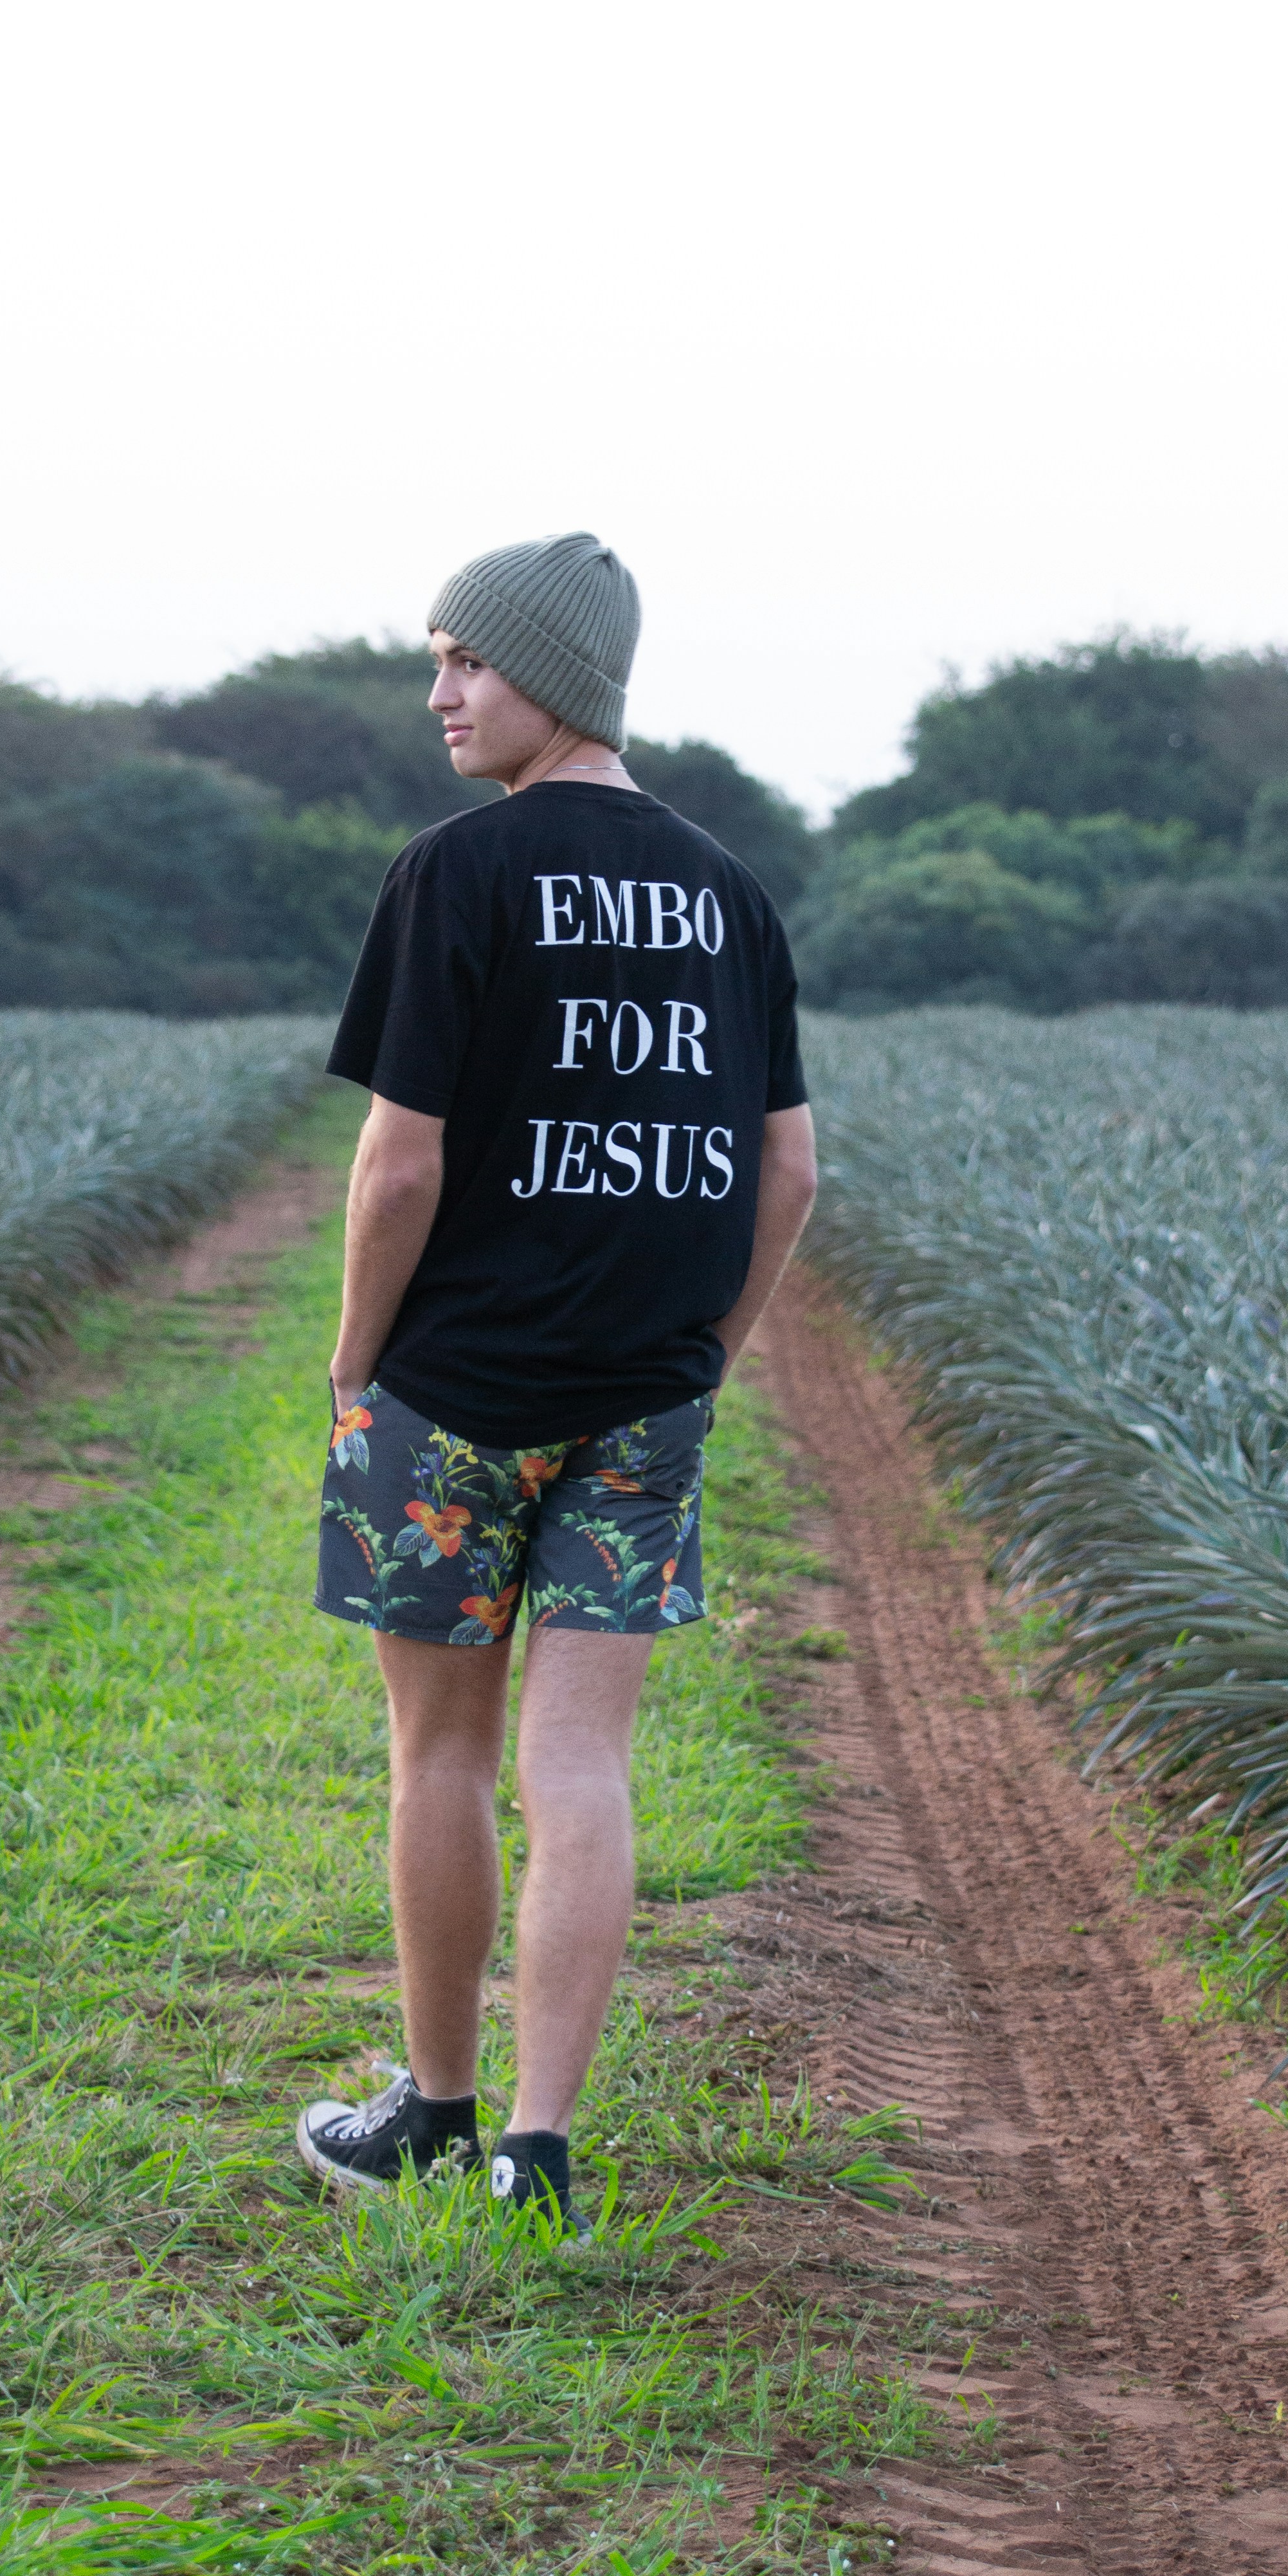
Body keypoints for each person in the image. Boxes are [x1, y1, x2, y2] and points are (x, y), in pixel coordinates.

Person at [298, 532, 817, 2231]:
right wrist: (706, 1366)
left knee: (439, 1755)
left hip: (451, 1392)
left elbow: (397, 1167)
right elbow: (788, 1176)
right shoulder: (730, 892)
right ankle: (541, 2146)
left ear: (559, 677)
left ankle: (433, 2116)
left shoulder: (457, 873)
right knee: (581, 1764)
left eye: (469, 661)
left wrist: (357, 1356)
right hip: (644, 1401)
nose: (439, 694)